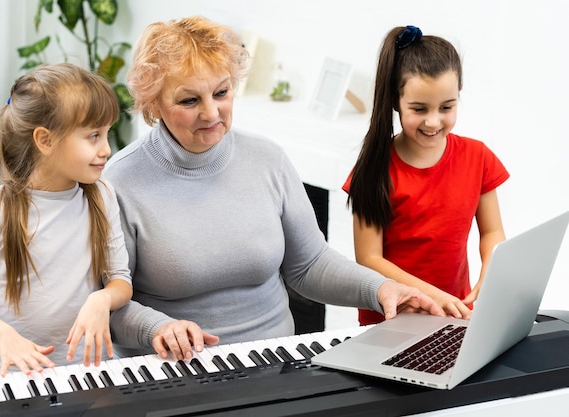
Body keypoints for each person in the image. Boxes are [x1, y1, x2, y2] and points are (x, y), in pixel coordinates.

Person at [103, 16, 444, 363]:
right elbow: (105, 304)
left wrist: (382, 289)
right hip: (173, 369)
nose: (211, 112)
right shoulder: (121, 181)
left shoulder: (268, 160)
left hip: (274, 363)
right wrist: (158, 328)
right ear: (154, 103)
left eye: (221, 92)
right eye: (189, 101)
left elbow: (309, 265)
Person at [0, 63, 133, 377]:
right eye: (94, 136)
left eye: (107, 134)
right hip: (19, 373)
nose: (107, 149)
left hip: (92, 371)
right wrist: (3, 334)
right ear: (44, 140)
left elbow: (120, 281)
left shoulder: (102, 196)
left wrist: (103, 298)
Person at [343, 25, 510, 325]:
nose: (433, 121)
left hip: (454, 314)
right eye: (419, 109)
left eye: (447, 107)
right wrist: (434, 295)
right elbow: (369, 258)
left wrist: (492, 270)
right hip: (389, 320)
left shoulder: (478, 157)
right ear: (396, 101)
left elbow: (492, 231)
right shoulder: (373, 169)